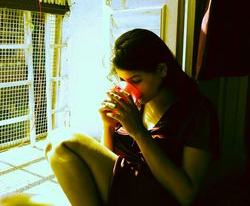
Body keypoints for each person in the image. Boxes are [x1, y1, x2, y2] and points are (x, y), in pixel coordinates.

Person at [45, 28, 220, 206]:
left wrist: (138, 132)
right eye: (123, 80)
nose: (130, 89)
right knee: (56, 148)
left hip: (156, 196)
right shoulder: (136, 104)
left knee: (63, 141)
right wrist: (108, 127)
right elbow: (112, 162)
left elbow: (187, 195)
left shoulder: (197, 111)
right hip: (124, 188)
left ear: (162, 69)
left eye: (135, 81)